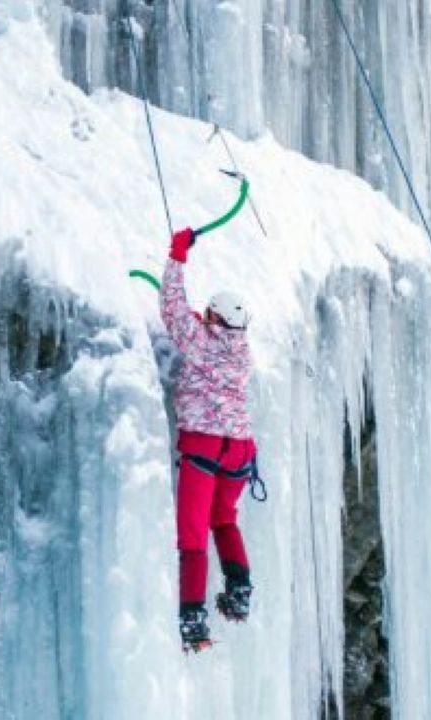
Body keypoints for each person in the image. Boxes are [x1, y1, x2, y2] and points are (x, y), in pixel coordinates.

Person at [161, 227, 257, 653]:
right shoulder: (243, 352)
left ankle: (193, 620)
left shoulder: (199, 342)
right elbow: (205, 332)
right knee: (224, 520)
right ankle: (239, 590)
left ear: (214, 319)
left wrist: (177, 254)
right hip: (238, 451)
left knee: (193, 537)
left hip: (203, 447)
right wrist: (209, 326)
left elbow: (171, 308)